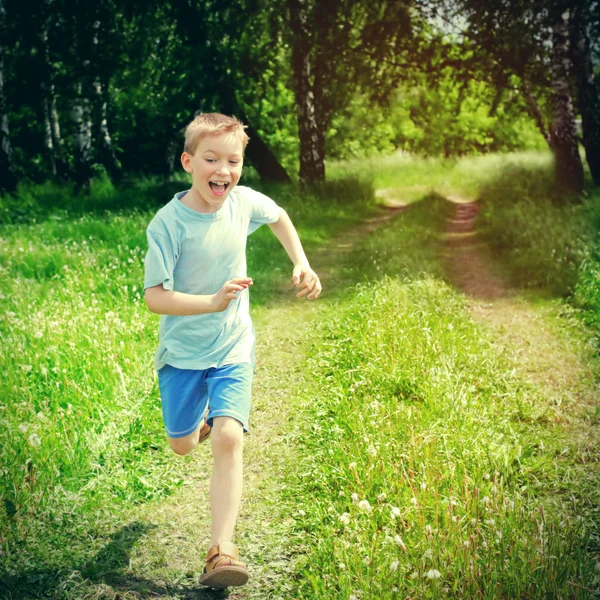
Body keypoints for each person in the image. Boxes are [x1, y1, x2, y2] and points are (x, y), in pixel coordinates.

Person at [143, 113, 321, 589]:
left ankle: (221, 550)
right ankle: (197, 426)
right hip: (181, 354)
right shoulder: (167, 224)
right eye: (211, 159)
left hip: (232, 346)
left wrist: (301, 262)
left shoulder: (242, 203)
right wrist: (211, 301)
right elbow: (154, 297)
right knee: (182, 445)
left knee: (229, 438)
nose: (223, 169)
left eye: (234, 160)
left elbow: (279, 215)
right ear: (188, 162)